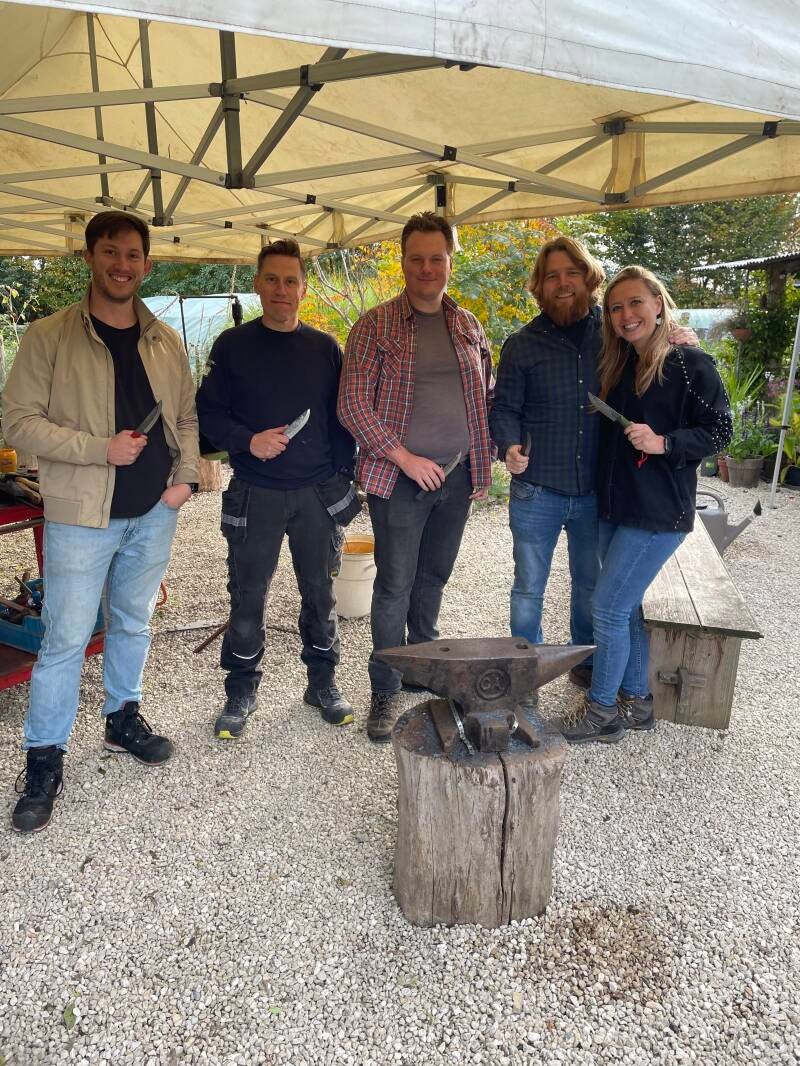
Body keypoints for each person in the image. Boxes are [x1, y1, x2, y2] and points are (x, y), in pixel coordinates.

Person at [3, 210, 199, 833]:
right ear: (89, 257)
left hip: (154, 511)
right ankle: (44, 760)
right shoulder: (51, 336)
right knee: (64, 639)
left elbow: (186, 417)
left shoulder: (164, 339)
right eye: (110, 252)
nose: (122, 264)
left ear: (147, 263)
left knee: (133, 622)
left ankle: (121, 718)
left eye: (133, 254)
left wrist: (184, 480)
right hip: (83, 515)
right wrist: (98, 449)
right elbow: (17, 422)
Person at [489, 237, 696, 694]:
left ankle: (584, 661)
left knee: (589, 585)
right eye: (552, 276)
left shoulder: (614, 336)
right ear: (539, 287)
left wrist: (678, 336)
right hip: (536, 489)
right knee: (528, 587)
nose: (563, 283)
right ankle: (525, 669)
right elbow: (503, 407)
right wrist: (508, 445)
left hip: (596, 492)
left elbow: (656, 343)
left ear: (588, 279)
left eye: (572, 273)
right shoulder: (521, 345)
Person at [338, 212, 494, 743]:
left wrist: (483, 460)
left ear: (451, 261)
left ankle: (423, 667)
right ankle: (385, 687)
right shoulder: (374, 326)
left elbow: (484, 396)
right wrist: (404, 457)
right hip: (399, 479)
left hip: (456, 476)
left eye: (437, 258)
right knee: (394, 585)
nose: (427, 268)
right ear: (402, 262)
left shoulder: (468, 325)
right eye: (417, 259)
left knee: (435, 577)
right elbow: (351, 404)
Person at [560, 266, 732, 744]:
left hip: (658, 512)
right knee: (626, 607)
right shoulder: (621, 364)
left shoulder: (689, 363)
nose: (625, 314)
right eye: (616, 308)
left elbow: (721, 431)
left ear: (658, 303)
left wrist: (665, 443)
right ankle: (636, 703)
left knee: (607, 608)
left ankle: (602, 712)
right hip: (617, 506)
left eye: (635, 302)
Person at [197, 239, 356, 740]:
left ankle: (322, 684)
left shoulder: (325, 349)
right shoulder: (232, 346)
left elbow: (343, 421)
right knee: (247, 596)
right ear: (258, 284)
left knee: (320, 593)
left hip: (315, 495)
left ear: (303, 289)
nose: (281, 289)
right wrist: (248, 440)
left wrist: (343, 479)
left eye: (290, 281)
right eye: (272, 279)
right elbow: (207, 415)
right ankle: (241, 691)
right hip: (255, 492)